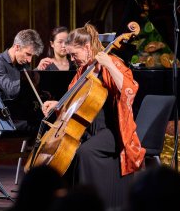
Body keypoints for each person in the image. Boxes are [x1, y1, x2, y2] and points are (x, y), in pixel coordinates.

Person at [41, 23, 145, 210]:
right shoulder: (83, 70)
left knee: (85, 152)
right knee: (66, 153)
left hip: (112, 129)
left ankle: (90, 204)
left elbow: (129, 89)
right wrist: (57, 104)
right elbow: (74, 101)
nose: (73, 59)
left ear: (87, 48)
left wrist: (109, 65)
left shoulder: (110, 62)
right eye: (70, 55)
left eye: (75, 54)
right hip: (87, 128)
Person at [0, 29, 44, 132]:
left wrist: (39, 74)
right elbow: (12, 90)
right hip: (5, 120)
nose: (29, 60)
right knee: (43, 126)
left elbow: (28, 90)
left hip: (22, 116)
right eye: (28, 54)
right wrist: (33, 76)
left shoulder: (23, 65)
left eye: (31, 56)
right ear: (17, 47)